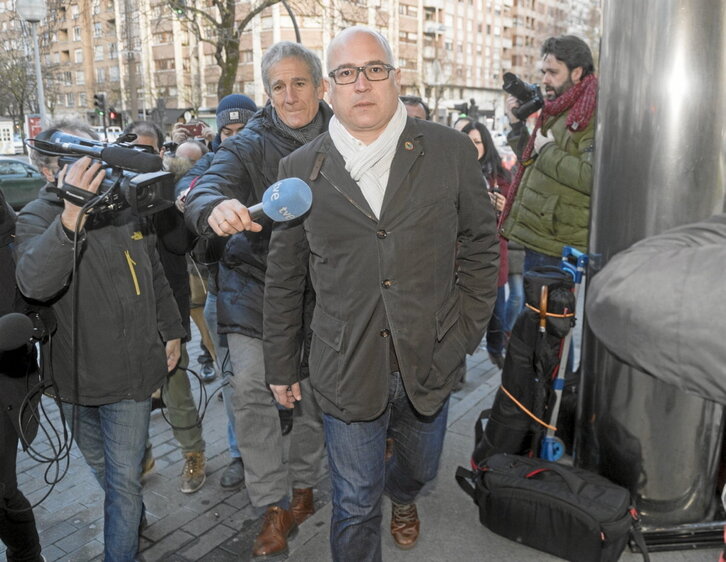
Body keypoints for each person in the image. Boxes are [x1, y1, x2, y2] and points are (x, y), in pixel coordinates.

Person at [261, 27, 499, 560]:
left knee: (415, 471)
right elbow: (285, 277)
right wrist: (280, 364)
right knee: (353, 501)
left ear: (395, 78)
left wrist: (459, 337)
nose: (361, 84)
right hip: (345, 365)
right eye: (346, 73)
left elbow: (483, 248)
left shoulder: (450, 151)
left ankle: (406, 495)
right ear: (329, 89)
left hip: (430, 357)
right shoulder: (300, 172)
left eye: (374, 70)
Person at [184, 42, 331, 558]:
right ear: (266, 93)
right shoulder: (249, 141)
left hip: (324, 295)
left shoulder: (347, 137)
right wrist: (214, 205)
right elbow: (208, 182)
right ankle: (271, 504)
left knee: (314, 394)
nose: (289, 95)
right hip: (253, 289)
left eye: (299, 83)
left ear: (320, 86)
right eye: (277, 86)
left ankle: (307, 484)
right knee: (248, 388)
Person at [14, 119, 184, 561]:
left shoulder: (126, 208)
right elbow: (33, 283)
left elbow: (157, 277)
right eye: (81, 161)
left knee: (123, 481)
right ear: (52, 172)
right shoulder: (38, 216)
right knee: (107, 473)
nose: (99, 169)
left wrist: (171, 330)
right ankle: (131, 514)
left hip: (130, 377)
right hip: (72, 380)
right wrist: (71, 216)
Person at [176, 93, 260, 491]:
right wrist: (192, 199)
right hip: (223, 293)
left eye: (242, 129)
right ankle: (241, 454)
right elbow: (190, 186)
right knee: (234, 381)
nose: (234, 138)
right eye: (226, 131)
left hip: (279, 291)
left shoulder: (271, 158)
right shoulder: (211, 165)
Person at [122, 120, 209, 494]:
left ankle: (193, 454)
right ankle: (142, 455)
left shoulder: (170, 189)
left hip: (167, 308)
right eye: (134, 150)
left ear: (161, 152)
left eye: (149, 150)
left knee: (175, 387)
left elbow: (179, 245)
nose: (141, 157)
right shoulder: (115, 192)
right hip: (126, 315)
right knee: (132, 393)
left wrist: (164, 203)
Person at [500, 35, 598, 272]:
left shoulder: (591, 113)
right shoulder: (558, 108)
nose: (545, 79)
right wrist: (516, 126)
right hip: (541, 237)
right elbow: (531, 160)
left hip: (559, 245)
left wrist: (548, 150)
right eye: (544, 72)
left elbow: (591, 177)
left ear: (577, 72)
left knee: (547, 310)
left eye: (553, 72)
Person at [1, 189, 45, 562]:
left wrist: (32, 324)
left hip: (5, 388)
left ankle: (26, 552)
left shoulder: (14, 239)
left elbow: (37, 313)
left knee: (2, 489)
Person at [459, 120, 512, 368]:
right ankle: (458, 369)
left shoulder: (499, 176)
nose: (472, 146)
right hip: (459, 259)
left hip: (493, 256)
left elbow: (514, 219)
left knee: (497, 312)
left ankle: (495, 349)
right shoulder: (452, 171)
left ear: (486, 144)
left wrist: (503, 208)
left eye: (477, 141)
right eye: (467, 140)